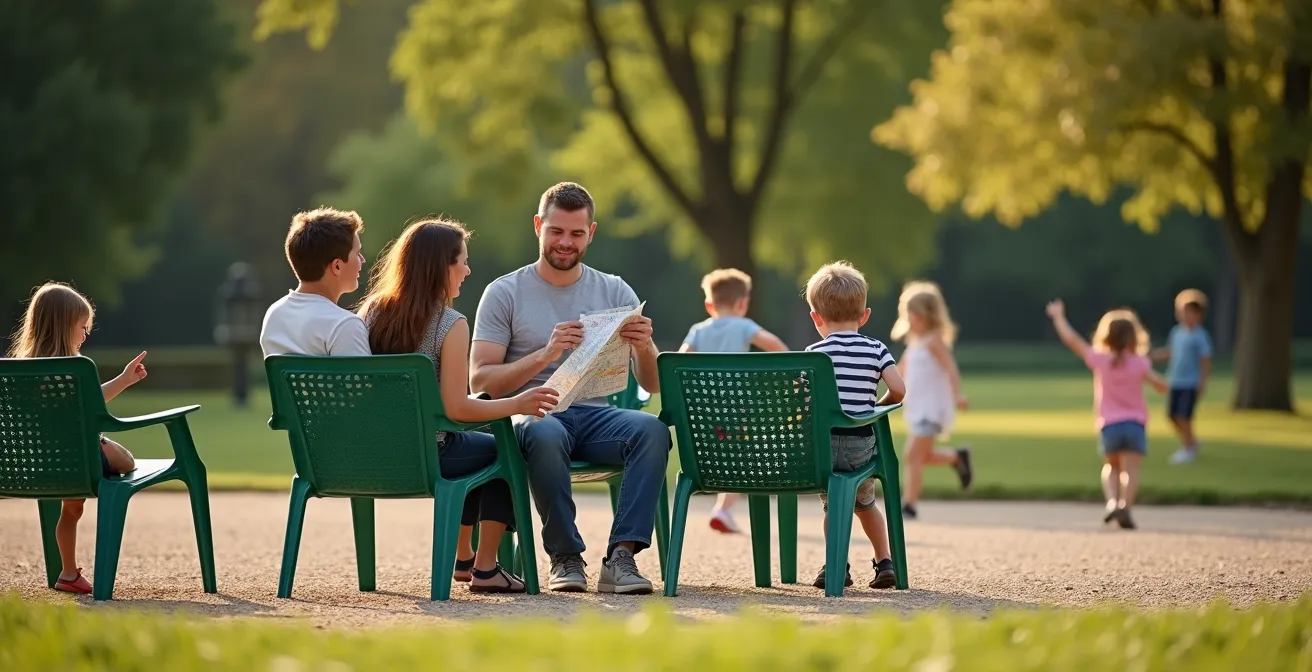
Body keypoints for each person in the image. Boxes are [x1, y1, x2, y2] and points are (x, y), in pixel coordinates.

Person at [470, 182, 671, 595]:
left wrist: (645, 345)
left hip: (595, 415)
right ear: (538, 226)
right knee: (543, 431)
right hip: (534, 411)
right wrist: (544, 356)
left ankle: (622, 557)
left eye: (576, 234)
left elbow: (650, 383)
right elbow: (480, 379)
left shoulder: (614, 289)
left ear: (591, 233)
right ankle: (565, 557)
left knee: (651, 431)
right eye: (556, 231)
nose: (565, 242)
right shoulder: (505, 292)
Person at [357, 218, 559, 593]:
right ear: (440, 267)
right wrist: (518, 402)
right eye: (461, 262)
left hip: (377, 453)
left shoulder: (371, 311)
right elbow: (456, 410)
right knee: (508, 447)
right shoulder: (450, 324)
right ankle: (485, 568)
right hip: (430, 453)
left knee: (480, 443)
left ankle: (464, 556)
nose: (467, 270)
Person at [6, 282, 143, 594]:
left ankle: (68, 573)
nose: (85, 335)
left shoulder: (17, 371)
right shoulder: (73, 369)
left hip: (35, 464)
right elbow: (93, 407)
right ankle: (100, 444)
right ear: (65, 326)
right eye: (82, 327)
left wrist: (123, 379)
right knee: (126, 460)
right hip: (77, 461)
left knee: (73, 509)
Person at [802, 262, 906, 590]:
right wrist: (875, 407)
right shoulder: (876, 349)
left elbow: (802, 401)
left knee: (833, 503)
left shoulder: (814, 354)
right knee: (865, 504)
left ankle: (836, 565)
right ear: (865, 315)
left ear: (816, 318)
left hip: (823, 448)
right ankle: (884, 561)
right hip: (861, 446)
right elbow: (900, 389)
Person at [679, 268, 788, 534]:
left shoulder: (698, 330)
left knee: (722, 455)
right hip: (737, 409)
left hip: (703, 413)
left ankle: (721, 507)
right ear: (743, 303)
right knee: (740, 459)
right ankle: (724, 509)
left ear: (709, 304)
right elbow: (776, 346)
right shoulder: (745, 326)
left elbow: (679, 361)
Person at [1046, 300, 1167, 529]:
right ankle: (1126, 506)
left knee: (1111, 467)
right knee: (1131, 470)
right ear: (1134, 336)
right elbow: (1160, 385)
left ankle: (1112, 502)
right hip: (1135, 424)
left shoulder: (1101, 361)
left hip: (1109, 424)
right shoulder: (1140, 362)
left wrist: (1058, 316)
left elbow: (1071, 339)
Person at [889, 281, 972, 520]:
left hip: (932, 409)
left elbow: (950, 368)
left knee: (912, 456)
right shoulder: (913, 343)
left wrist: (957, 395)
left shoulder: (933, 342)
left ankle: (910, 505)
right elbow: (900, 370)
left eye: (916, 315)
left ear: (926, 316)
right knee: (923, 457)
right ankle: (957, 457)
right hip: (917, 407)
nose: (912, 320)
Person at [259, 207, 371, 357]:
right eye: (357, 253)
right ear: (337, 266)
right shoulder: (345, 325)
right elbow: (362, 381)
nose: (362, 261)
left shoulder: (274, 315)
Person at [1151, 289, 1213, 465]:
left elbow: (1205, 360)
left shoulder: (1200, 336)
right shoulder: (1176, 333)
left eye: (1187, 312)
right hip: (1174, 381)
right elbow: (1171, 353)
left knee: (1183, 415)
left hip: (1190, 382)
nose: (1183, 315)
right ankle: (1191, 441)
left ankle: (1188, 448)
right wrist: (1152, 355)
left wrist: (1202, 382)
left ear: (1198, 314)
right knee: (1172, 415)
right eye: (1180, 311)